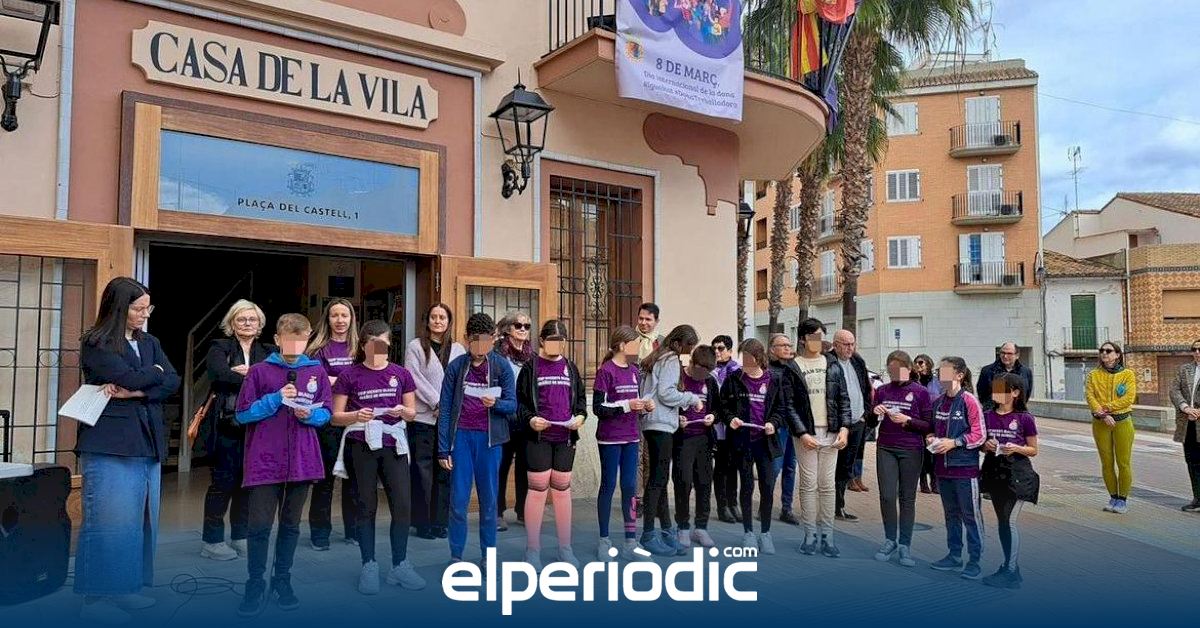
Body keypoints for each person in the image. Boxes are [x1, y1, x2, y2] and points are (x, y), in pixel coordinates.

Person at [75, 277, 180, 624]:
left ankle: (127, 586)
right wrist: (151, 374)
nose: (145, 315)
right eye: (138, 308)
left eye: (148, 308)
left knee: (139, 520)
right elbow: (134, 376)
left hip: (146, 439)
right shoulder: (97, 342)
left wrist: (138, 390)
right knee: (110, 521)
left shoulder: (150, 342)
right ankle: (100, 595)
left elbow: (173, 380)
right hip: (110, 442)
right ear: (120, 308)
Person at [234, 313, 332, 616]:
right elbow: (243, 413)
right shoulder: (259, 372)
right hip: (265, 461)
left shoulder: (316, 370)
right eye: (289, 340)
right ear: (277, 339)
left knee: (291, 525)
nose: (295, 347)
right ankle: (255, 582)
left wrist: (311, 415)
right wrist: (275, 399)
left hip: (301, 460)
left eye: (301, 341)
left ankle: (282, 579)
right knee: (259, 526)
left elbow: (327, 413)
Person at [330, 320, 425, 594]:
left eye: (382, 343)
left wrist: (403, 412)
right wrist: (355, 415)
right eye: (372, 344)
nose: (377, 348)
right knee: (366, 505)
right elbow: (336, 417)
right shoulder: (349, 375)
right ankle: (368, 564)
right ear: (363, 346)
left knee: (402, 504)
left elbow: (412, 412)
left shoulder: (401, 374)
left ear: (389, 344)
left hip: (393, 444)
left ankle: (400, 564)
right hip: (361, 444)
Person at [438, 312, 517, 567]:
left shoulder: (501, 367)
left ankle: (488, 557)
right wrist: (443, 449)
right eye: (475, 340)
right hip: (461, 437)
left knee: (489, 501)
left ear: (493, 339)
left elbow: (513, 405)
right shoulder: (456, 367)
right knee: (458, 501)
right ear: (466, 339)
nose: (481, 346)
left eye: (486, 340)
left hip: (490, 441)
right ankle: (456, 556)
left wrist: (496, 403)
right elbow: (446, 408)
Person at [201, 299, 275, 562]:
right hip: (226, 425)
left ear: (260, 324)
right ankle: (212, 540)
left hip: (257, 427)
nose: (247, 323)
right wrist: (255, 376)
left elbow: (274, 381)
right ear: (231, 323)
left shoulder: (268, 350)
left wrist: (247, 374)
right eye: (241, 319)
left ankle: (240, 536)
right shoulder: (219, 347)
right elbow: (219, 375)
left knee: (247, 482)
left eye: (252, 319)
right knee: (222, 483)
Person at [517, 320, 587, 568]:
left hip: (565, 439)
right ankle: (532, 550)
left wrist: (580, 418)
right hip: (538, 439)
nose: (557, 345)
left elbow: (581, 403)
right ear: (542, 341)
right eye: (552, 340)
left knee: (562, 490)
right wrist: (531, 419)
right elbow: (520, 403)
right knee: (537, 490)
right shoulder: (531, 367)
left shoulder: (571, 367)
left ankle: (565, 548)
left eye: (561, 341)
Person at [787, 319, 852, 558]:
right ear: (803, 339)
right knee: (808, 484)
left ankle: (828, 536)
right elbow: (789, 404)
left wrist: (844, 428)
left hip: (831, 432)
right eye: (813, 336)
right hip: (806, 434)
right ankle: (810, 535)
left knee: (827, 485)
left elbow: (843, 399)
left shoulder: (832, 364)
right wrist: (802, 433)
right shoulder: (793, 366)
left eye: (821, 336)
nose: (818, 341)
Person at [720, 338, 787, 554]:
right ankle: (748, 532)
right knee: (747, 486)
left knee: (767, 486)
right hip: (742, 442)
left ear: (759, 358)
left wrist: (773, 423)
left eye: (749, 358)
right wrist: (731, 418)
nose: (745, 362)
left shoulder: (774, 379)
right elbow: (723, 406)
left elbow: (781, 409)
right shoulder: (734, 379)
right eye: (743, 358)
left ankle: (765, 533)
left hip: (765, 443)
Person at [640, 324, 702, 556]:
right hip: (660, 425)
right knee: (657, 480)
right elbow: (666, 393)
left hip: (655, 422)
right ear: (678, 343)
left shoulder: (659, 357)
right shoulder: (670, 360)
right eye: (689, 345)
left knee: (660, 479)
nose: (690, 350)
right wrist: (691, 398)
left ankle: (666, 530)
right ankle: (648, 534)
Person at [594, 326, 655, 561]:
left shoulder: (634, 371)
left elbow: (634, 401)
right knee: (608, 485)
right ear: (622, 345)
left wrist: (645, 406)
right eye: (635, 344)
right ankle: (604, 540)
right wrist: (627, 406)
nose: (638, 348)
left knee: (630, 487)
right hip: (610, 438)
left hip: (631, 436)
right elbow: (598, 408)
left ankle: (631, 541)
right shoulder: (605, 371)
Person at [405, 303, 465, 540]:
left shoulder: (458, 349)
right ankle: (422, 523)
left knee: (445, 470)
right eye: (434, 317)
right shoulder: (416, 346)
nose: (438, 321)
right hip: (423, 418)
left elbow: (462, 380)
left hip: (448, 421)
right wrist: (437, 403)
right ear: (427, 320)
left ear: (449, 321)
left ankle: (440, 521)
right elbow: (413, 378)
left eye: (442, 317)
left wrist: (449, 408)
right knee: (422, 471)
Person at [926, 356, 986, 580]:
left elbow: (980, 434)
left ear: (959, 375)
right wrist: (931, 438)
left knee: (970, 515)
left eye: (946, 372)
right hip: (942, 469)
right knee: (951, 514)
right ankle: (954, 555)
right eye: (939, 372)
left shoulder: (969, 401)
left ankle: (975, 560)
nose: (941, 376)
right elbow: (932, 429)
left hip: (965, 469)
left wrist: (955, 442)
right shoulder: (938, 402)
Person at [306, 298, 359, 550]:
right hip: (328, 421)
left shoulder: (362, 346)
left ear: (351, 319)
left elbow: (374, 375)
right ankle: (319, 533)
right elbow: (317, 380)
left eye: (344, 315)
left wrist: (337, 380)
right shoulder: (317, 348)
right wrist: (351, 382)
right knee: (325, 478)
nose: (340, 320)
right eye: (334, 315)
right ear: (327, 319)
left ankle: (354, 530)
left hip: (356, 420)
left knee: (355, 478)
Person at [871, 351, 932, 569]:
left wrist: (908, 420)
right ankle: (890, 539)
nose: (894, 374)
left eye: (898, 369)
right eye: (891, 370)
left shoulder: (921, 392)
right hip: (886, 446)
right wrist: (874, 412)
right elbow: (870, 422)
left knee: (907, 498)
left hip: (911, 448)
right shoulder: (882, 390)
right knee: (887, 495)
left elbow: (928, 424)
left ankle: (905, 544)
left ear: (908, 368)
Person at [980, 373, 1040, 589]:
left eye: (1002, 389)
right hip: (994, 473)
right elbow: (980, 442)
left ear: (1015, 392)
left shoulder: (1025, 418)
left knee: (1009, 521)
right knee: (1002, 521)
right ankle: (1009, 565)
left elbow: (1033, 449)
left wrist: (1016, 448)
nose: (996, 393)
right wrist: (985, 445)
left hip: (1018, 476)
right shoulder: (987, 415)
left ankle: (1011, 571)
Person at [673, 344, 720, 549]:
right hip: (683, 439)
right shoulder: (679, 379)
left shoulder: (710, 381)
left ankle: (701, 527)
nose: (703, 376)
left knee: (704, 482)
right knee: (683, 481)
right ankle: (682, 526)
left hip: (704, 438)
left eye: (707, 372)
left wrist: (713, 417)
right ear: (692, 363)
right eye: (701, 371)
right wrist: (677, 418)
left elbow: (718, 408)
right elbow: (668, 404)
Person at [1085, 341, 1137, 514]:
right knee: (1106, 462)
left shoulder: (1127, 374)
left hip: (1123, 422)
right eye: (1102, 350)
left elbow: (1128, 398)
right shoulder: (1093, 375)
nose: (1104, 353)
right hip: (1100, 422)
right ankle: (1113, 496)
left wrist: (1106, 408)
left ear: (1117, 355)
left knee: (1123, 462)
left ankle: (1122, 500)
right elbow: (1090, 396)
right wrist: (1102, 415)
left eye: (1108, 351)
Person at [495, 311, 535, 530]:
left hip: (525, 420)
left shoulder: (532, 357)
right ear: (507, 328)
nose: (523, 329)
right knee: (501, 466)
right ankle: (497, 512)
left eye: (527, 326)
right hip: (503, 418)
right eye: (518, 325)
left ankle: (522, 511)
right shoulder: (498, 355)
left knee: (524, 465)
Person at [831, 329, 872, 522]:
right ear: (835, 344)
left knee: (846, 467)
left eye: (852, 344)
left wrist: (865, 413)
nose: (850, 348)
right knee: (833, 466)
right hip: (837, 426)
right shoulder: (828, 362)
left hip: (857, 422)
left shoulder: (857, 361)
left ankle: (839, 507)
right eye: (846, 344)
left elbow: (866, 388)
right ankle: (830, 506)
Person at [766, 334, 800, 525]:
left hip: (794, 426)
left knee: (790, 467)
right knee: (774, 467)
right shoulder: (769, 371)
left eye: (789, 345)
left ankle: (787, 508)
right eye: (783, 345)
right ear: (772, 349)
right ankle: (766, 504)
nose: (788, 348)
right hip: (778, 426)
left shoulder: (795, 368)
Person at [710, 334, 742, 524]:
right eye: (714, 348)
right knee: (721, 466)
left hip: (733, 424)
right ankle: (722, 506)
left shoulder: (738, 370)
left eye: (721, 348)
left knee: (733, 466)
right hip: (717, 425)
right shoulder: (710, 371)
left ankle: (733, 503)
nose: (717, 352)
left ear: (730, 350)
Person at [1168, 338, 1200, 513]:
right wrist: (1185, 407)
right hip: (1188, 424)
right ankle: (1198, 498)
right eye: (1194, 349)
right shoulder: (1184, 369)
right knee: (1192, 461)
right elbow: (1174, 390)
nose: (1197, 352)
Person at [913, 354, 941, 494]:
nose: (919, 365)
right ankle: (923, 480)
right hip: (919, 420)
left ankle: (935, 481)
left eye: (921, 362)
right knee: (922, 452)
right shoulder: (913, 382)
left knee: (934, 452)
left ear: (929, 364)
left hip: (934, 419)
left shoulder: (937, 382)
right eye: (916, 363)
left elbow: (942, 397)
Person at [977, 342, 1034, 412]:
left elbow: (1026, 393)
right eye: (1003, 353)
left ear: (1017, 355)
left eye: (1009, 353)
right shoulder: (987, 371)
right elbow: (982, 394)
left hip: (1018, 413)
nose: (1005, 356)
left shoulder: (1026, 372)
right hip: (994, 413)